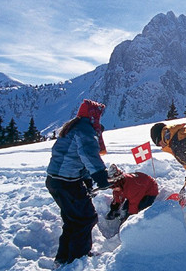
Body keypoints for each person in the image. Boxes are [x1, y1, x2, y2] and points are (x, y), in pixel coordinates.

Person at [46, 99, 111, 267]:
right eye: (98, 114)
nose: (99, 117)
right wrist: (100, 176)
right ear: (92, 115)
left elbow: (75, 158)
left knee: (73, 220)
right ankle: (77, 259)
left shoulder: (74, 127)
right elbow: (88, 155)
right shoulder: (84, 129)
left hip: (56, 181)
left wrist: (87, 180)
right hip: (66, 183)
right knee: (86, 218)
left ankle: (63, 257)